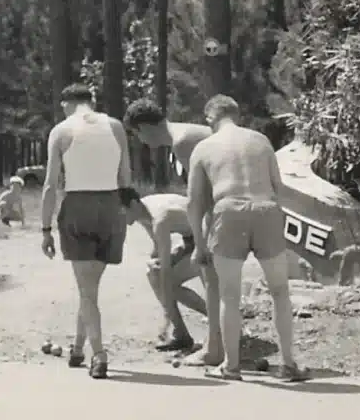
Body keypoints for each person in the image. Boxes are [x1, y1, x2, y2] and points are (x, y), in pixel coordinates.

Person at [186, 94, 308, 382]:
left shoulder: (203, 147)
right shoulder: (261, 141)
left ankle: (231, 366)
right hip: (266, 209)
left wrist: (199, 245)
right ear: (237, 114)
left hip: (228, 210)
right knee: (280, 291)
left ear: (209, 118)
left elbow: (194, 202)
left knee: (229, 294)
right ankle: (289, 365)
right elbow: (278, 186)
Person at [41, 83, 135, 380]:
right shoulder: (116, 126)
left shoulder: (61, 130)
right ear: (91, 101)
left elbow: (49, 185)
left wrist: (45, 228)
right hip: (110, 205)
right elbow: (126, 176)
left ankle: (99, 354)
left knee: (87, 290)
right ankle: (78, 348)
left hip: (78, 205)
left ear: (66, 104)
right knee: (90, 288)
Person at [124, 99, 223, 368]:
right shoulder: (183, 135)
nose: (141, 142)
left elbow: (203, 195)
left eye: (137, 135)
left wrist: (202, 240)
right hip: (211, 221)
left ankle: (221, 342)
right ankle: (198, 334)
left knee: (207, 276)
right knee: (165, 273)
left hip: (220, 219)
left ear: (144, 127)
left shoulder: (182, 143)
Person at [124, 193, 207, 352]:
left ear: (133, 204)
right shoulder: (142, 211)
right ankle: (181, 332)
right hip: (191, 238)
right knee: (154, 273)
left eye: (121, 212)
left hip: (208, 240)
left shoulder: (159, 218)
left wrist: (166, 319)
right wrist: (156, 262)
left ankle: (220, 322)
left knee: (167, 282)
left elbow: (166, 271)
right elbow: (158, 249)